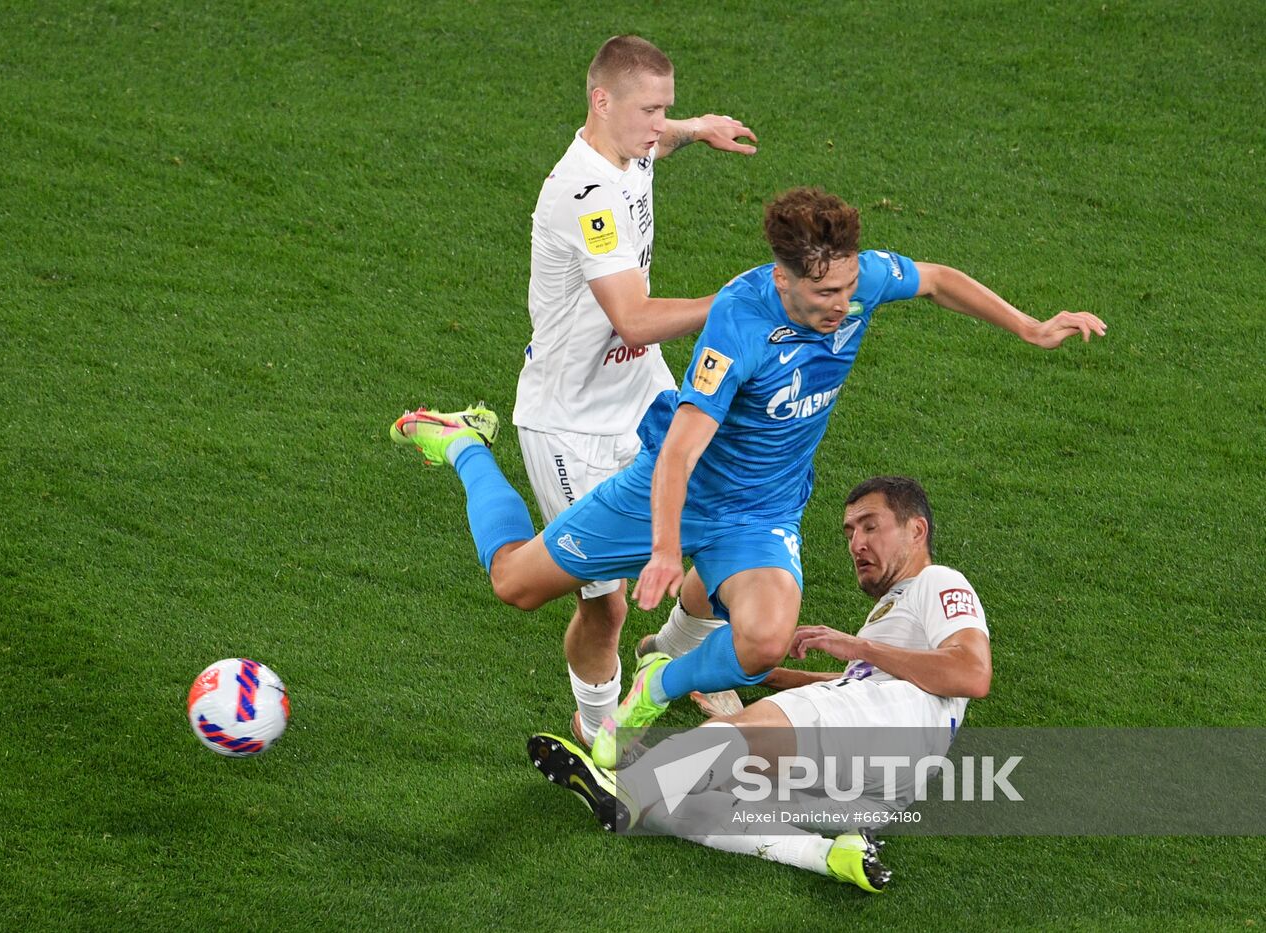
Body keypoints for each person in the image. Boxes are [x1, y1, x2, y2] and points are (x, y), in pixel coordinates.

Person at [390, 186, 1103, 769]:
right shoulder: (739, 320)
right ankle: (463, 444)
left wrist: (1031, 327)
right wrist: (664, 548)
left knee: (765, 638)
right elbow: (679, 453)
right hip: (672, 491)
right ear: (783, 279)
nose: (842, 305)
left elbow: (939, 281)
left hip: (760, 510)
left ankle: (659, 680)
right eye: (824, 292)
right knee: (515, 584)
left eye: (850, 287)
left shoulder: (860, 283)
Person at [527, 476, 991, 893]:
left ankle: (630, 784)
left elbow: (971, 672)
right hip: (884, 791)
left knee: (743, 734)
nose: (856, 543)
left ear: (917, 530)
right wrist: (760, 671)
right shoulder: (892, 615)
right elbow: (868, 683)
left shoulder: (936, 580)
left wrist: (858, 647)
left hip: (882, 732)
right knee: (687, 804)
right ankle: (830, 856)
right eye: (850, 532)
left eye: (870, 526)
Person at [514, 35, 757, 748]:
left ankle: (683, 652)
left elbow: (658, 146)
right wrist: (735, 304)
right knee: (607, 606)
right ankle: (597, 730)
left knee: (717, 525)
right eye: (651, 110)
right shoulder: (584, 195)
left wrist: (696, 129)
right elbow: (634, 317)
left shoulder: (631, 145)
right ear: (602, 101)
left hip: (640, 386)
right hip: (570, 423)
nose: (659, 125)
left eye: (665, 109)